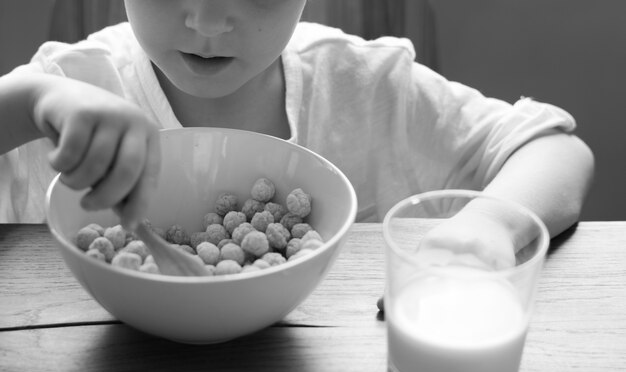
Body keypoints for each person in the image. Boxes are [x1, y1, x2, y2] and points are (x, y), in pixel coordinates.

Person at [0, 1, 593, 268]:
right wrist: (31, 100)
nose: (207, 21)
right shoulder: (70, 84)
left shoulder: (369, 86)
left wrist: (487, 227)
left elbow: (554, 151)